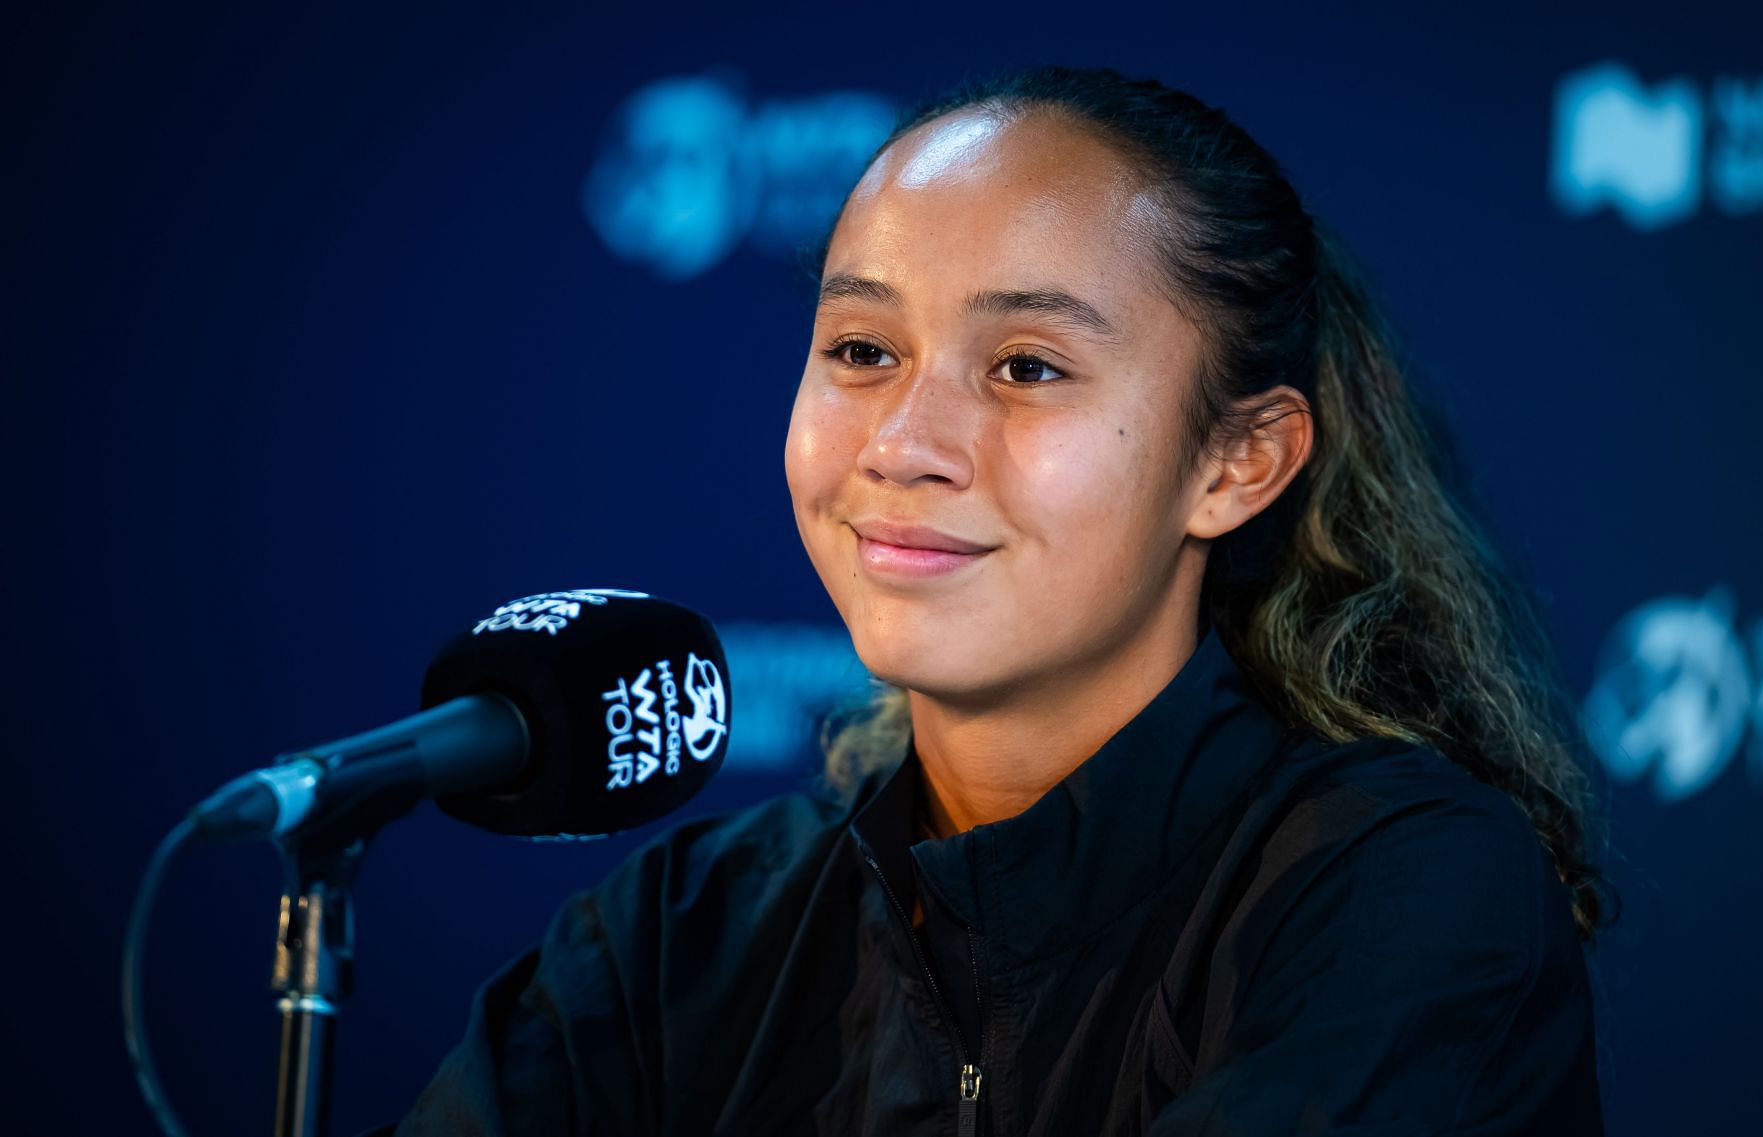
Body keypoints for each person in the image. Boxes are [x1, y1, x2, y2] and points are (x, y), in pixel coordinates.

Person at [382, 64, 1616, 1136]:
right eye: (862, 352)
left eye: (1026, 368)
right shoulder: (679, 937)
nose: (906, 444)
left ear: (1235, 463)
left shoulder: (1400, 889)